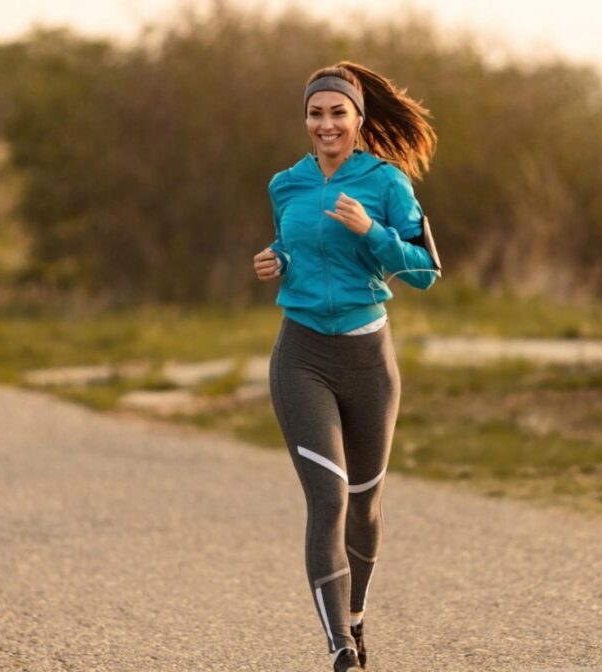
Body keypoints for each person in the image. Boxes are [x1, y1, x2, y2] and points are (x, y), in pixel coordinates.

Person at [252, 61, 439, 672]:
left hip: (368, 360)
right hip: (301, 356)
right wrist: (277, 258)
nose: (326, 124)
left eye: (337, 112)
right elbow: (296, 241)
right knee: (327, 499)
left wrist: (373, 233)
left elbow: (425, 272)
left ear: (359, 119)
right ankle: (339, 648)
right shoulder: (286, 184)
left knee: (363, 502)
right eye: (316, 113)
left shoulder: (387, 184)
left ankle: (356, 616)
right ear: (305, 119)